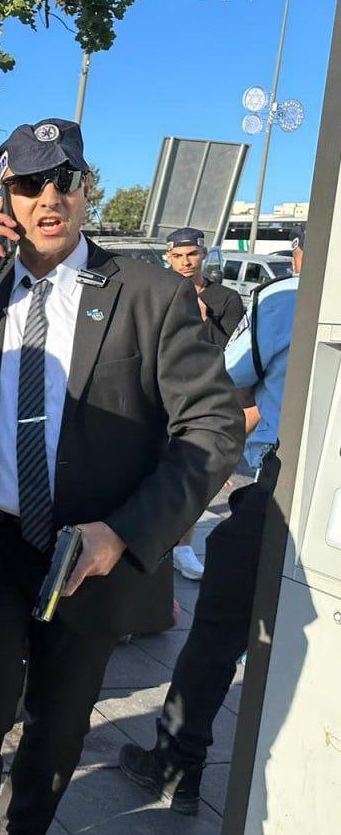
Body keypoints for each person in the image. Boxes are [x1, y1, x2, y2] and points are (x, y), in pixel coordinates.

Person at [0, 119, 243, 835]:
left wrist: (123, 532)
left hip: (88, 553)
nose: (49, 198)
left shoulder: (152, 294)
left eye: (65, 180)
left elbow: (214, 429)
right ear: (6, 199)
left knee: (57, 728)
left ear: (87, 186)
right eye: (29, 184)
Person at [118, 225, 303, 813]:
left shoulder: (284, 295)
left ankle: (176, 763)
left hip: (280, 484)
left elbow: (229, 376)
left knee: (219, 630)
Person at [163, 227, 246, 581]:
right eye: (178, 256)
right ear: (168, 257)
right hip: (157, 396)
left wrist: (200, 320)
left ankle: (182, 547)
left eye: (191, 255)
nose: (185, 262)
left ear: (204, 254)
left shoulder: (225, 299)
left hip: (199, 400)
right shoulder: (156, 291)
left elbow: (233, 355)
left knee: (190, 474)